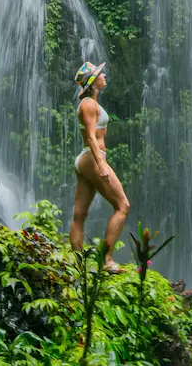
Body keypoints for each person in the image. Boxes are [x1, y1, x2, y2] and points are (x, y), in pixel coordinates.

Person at [69, 60, 130, 273]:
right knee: (123, 206)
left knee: (79, 215)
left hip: (87, 160)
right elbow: (91, 137)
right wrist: (101, 164)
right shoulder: (88, 105)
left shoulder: (92, 104)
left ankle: (79, 267)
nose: (104, 76)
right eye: (100, 74)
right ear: (93, 82)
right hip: (92, 159)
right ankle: (107, 260)